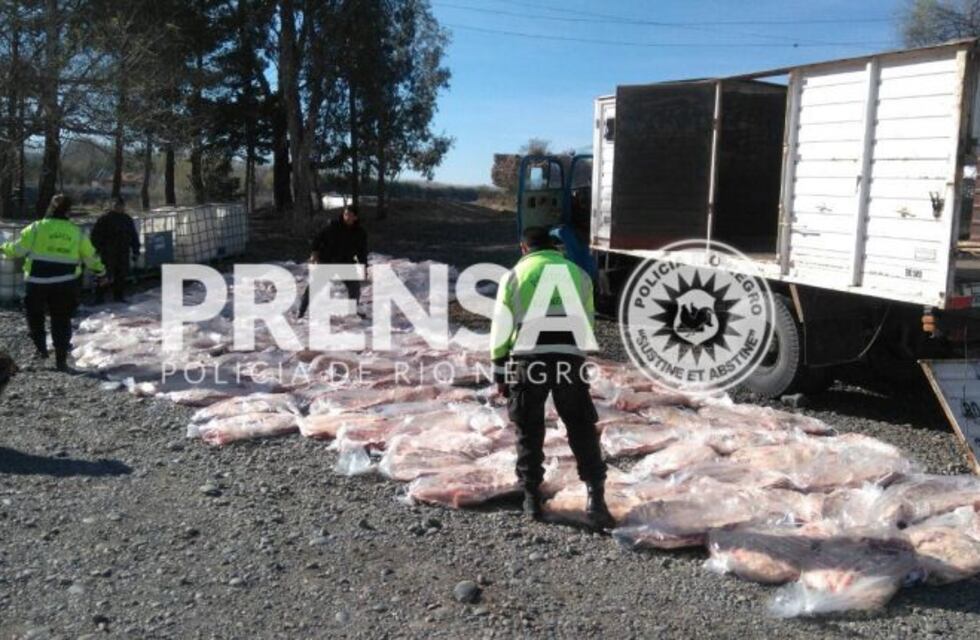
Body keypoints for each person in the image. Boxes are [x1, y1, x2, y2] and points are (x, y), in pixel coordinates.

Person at [489, 225, 614, 529]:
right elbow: (587, 321)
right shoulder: (578, 274)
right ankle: (596, 500)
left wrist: (500, 369)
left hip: (528, 359)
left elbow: (501, 327)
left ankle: (531, 499)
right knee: (581, 426)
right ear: (554, 247)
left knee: (528, 427)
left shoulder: (514, 276)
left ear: (524, 248)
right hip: (568, 358)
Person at [0, 194, 106, 371]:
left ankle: (41, 349)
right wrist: (101, 271)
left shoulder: (36, 228)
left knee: (35, 317)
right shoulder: (76, 232)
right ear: (69, 211)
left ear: (50, 207)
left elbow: (17, 250)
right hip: (65, 284)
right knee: (61, 320)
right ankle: (61, 360)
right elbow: (90, 257)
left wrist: (3, 247)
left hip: (36, 283)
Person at [298, 204, 368, 318]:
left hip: (346, 262)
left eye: (350, 215)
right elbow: (317, 239)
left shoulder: (360, 233)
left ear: (355, 217)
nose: (347, 217)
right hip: (328, 261)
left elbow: (362, 252)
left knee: (354, 287)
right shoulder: (332, 226)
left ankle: (353, 310)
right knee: (314, 287)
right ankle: (301, 311)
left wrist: (364, 267)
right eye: (345, 214)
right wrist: (314, 253)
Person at [90, 197, 140, 303]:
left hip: (123, 251)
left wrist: (136, 249)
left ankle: (118, 296)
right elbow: (95, 235)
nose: (119, 208)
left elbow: (133, 235)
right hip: (108, 252)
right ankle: (99, 297)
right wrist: (98, 248)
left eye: (121, 206)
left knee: (120, 275)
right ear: (113, 206)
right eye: (117, 205)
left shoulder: (126, 219)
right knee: (104, 275)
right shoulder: (105, 219)